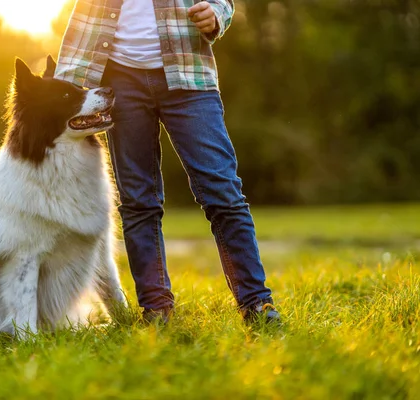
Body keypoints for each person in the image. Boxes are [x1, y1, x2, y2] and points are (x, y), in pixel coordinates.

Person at [55, 0, 280, 324]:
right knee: (138, 200)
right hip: (120, 81)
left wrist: (217, 14)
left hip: (189, 73)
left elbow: (223, 2)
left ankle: (256, 304)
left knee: (223, 192)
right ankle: (157, 310)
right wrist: (66, 78)